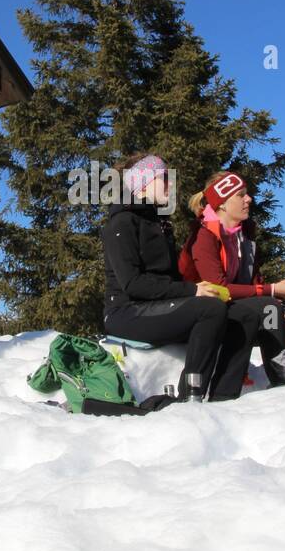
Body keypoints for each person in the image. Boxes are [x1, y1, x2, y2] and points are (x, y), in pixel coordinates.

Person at [101, 153, 261, 401]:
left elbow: (171, 279)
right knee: (209, 310)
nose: (171, 183)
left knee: (245, 316)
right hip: (126, 312)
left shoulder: (159, 223)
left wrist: (199, 287)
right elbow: (133, 284)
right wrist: (193, 291)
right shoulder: (121, 223)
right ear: (143, 183)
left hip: (157, 305)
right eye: (164, 177)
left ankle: (224, 398)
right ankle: (191, 397)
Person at [180, 171, 285, 384]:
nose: (249, 199)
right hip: (208, 314)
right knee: (269, 309)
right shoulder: (204, 236)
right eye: (241, 195)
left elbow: (255, 283)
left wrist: (283, 310)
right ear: (223, 204)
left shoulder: (243, 237)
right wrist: (273, 292)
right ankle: (282, 378)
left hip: (236, 308)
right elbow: (218, 287)